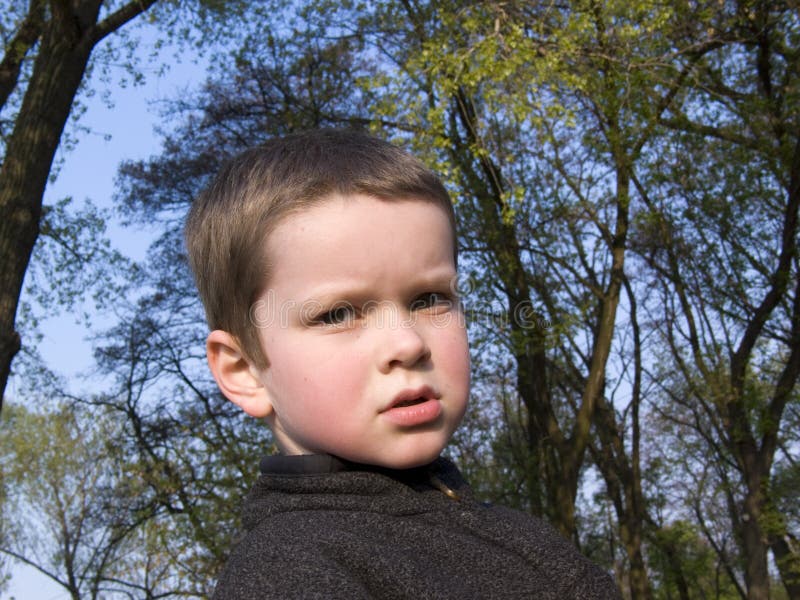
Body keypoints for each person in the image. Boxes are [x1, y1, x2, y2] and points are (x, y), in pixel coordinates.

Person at [185, 129, 621, 599]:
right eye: (338, 313)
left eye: (429, 299)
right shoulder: (288, 574)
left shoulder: (522, 539)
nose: (408, 343)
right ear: (244, 372)